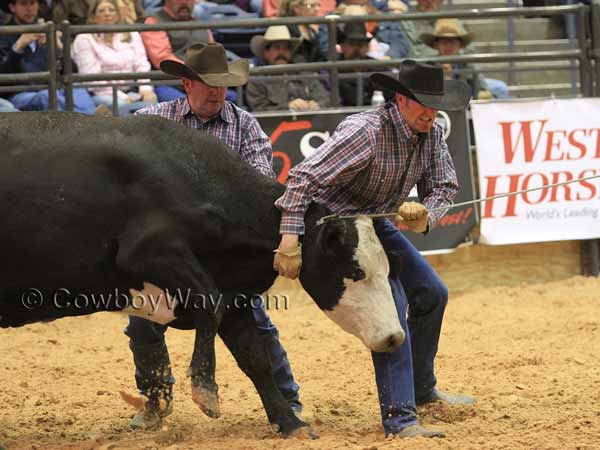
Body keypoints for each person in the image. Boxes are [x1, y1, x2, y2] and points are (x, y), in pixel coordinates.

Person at [273, 60, 475, 438]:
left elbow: (445, 186)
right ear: (401, 100)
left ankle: (421, 389)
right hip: (334, 226)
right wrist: (288, 238)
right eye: (423, 103)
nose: (432, 113)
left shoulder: (429, 133)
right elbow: (301, 178)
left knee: (432, 292)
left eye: (436, 104)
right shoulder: (366, 132)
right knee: (391, 309)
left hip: (375, 220)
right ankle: (400, 419)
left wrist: (425, 213)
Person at [128, 42, 301, 429]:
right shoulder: (154, 121)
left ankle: (288, 399)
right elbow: (123, 145)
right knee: (143, 323)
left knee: (253, 322)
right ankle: (156, 400)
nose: (217, 91)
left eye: (223, 84)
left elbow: (260, 188)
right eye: (208, 83)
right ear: (187, 84)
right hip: (170, 253)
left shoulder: (244, 124)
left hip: (221, 255)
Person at [0, 0, 96, 114]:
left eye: (32, 3)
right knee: (47, 96)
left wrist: (59, 47)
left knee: (77, 89)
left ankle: (89, 122)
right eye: (23, 3)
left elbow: (72, 72)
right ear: (12, 7)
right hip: (18, 93)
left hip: (52, 88)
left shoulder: (46, 29)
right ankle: (91, 122)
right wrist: (18, 47)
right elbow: (3, 77)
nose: (29, 9)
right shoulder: (4, 34)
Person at [72, 0, 157, 114]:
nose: (107, 14)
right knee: (123, 106)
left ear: (118, 15)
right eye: (101, 11)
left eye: (111, 10)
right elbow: (92, 78)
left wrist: (145, 89)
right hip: (102, 93)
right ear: (93, 17)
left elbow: (141, 64)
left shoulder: (131, 34)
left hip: (133, 89)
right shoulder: (84, 39)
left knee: (152, 103)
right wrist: (120, 96)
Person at [140, 0, 214, 101]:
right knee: (188, 105)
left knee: (232, 97)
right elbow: (162, 59)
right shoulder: (154, 21)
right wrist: (193, 74)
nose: (184, 3)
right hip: (170, 83)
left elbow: (214, 52)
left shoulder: (201, 24)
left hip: (204, 83)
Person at [245, 25, 330, 112]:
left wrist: (317, 105)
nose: (281, 52)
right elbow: (259, 110)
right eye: (277, 47)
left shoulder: (303, 72)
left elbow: (325, 97)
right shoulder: (256, 80)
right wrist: (288, 107)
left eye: (286, 48)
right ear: (266, 52)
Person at [420, 18, 509, 99]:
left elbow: (482, 87)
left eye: (452, 42)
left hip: (464, 102)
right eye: (443, 42)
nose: (448, 46)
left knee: (498, 90)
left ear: (460, 45)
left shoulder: (467, 63)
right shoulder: (428, 66)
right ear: (436, 45)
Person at [336, 22, 390, 107]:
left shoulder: (378, 67)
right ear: (342, 46)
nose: (357, 49)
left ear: (367, 47)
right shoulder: (334, 69)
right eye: (352, 44)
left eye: (361, 44)